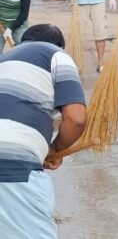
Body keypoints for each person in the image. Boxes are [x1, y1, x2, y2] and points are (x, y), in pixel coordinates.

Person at [0, 24, 86, 238]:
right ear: (61, 45)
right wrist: (54, 148)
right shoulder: (57, 55)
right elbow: (76, 119)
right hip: (14, 162)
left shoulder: (4, 60)